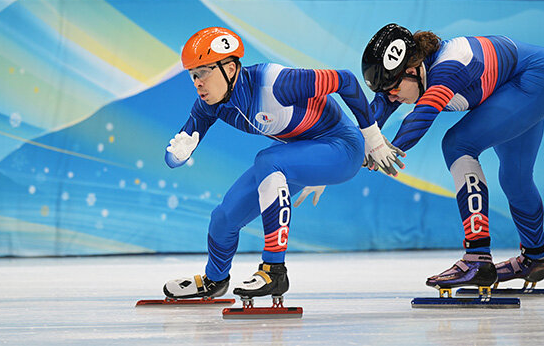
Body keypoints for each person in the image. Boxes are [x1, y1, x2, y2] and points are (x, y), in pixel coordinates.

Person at [162, 27, 403, 301]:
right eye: (193, 75)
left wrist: (372, 137)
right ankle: (214, 280)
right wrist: (178, 156)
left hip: (342, 147)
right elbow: (174, 155)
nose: (197, 82)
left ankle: (274, 270)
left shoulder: (276, 83)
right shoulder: (208, 104)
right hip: (298, 152)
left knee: (268, 160)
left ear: (229, 69)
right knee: (223, 218)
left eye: (203, 72)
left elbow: (346, 81)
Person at [361, 23, 544, 291]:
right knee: (515, 178)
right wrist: (345, 154)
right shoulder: (409, 77)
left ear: (411, 70)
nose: (391, 96)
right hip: (518, 83)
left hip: (536, 77)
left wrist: (385, 151)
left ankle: (477, 259)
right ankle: (534, 258)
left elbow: (421, 117)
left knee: (458, 145)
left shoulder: (450, 67)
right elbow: (370, 120)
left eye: (392, 88)